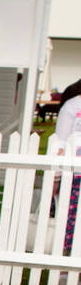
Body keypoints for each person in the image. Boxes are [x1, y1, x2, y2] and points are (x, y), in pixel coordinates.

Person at [53, 88, 81, 255]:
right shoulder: (71, 107)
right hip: (75, 176)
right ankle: (66, 268)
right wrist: (56, 178)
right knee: (72, 223)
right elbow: (59, 144)